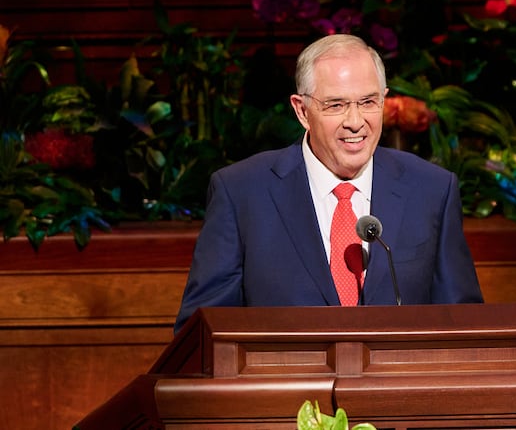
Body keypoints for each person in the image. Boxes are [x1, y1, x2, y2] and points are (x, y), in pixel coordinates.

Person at [173, 34, 483, 333]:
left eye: (368, 102)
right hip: (284, 384)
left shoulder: (431, 190)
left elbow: (464, 325)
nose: (355, 121)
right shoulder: (242, 193)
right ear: (302, 111)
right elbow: (200, 332)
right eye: (336, 105)